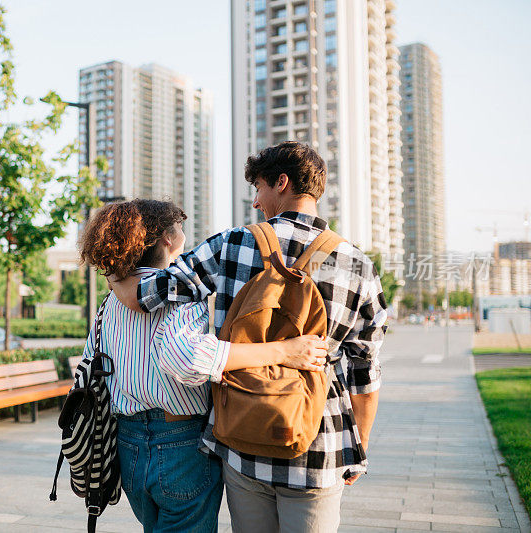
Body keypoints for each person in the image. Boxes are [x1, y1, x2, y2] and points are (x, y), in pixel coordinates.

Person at [112, 143, 388, 533]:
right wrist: (357, 448)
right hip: (317, 443)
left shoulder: (232, 244)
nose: (256, 201)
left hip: (241, 437)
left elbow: (148, 293)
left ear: (282, 182)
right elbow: (365, 373)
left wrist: (110, 268)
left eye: (258, 187)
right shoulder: (358, 264)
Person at [79, 198, 329, 533]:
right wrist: (283, 352)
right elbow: (187, 359)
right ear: (168, 238)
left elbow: (89, 368)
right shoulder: (179, 291)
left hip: (127, 444)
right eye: (179, 227)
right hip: (180, 443)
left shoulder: (113, 300)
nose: (185, 233)